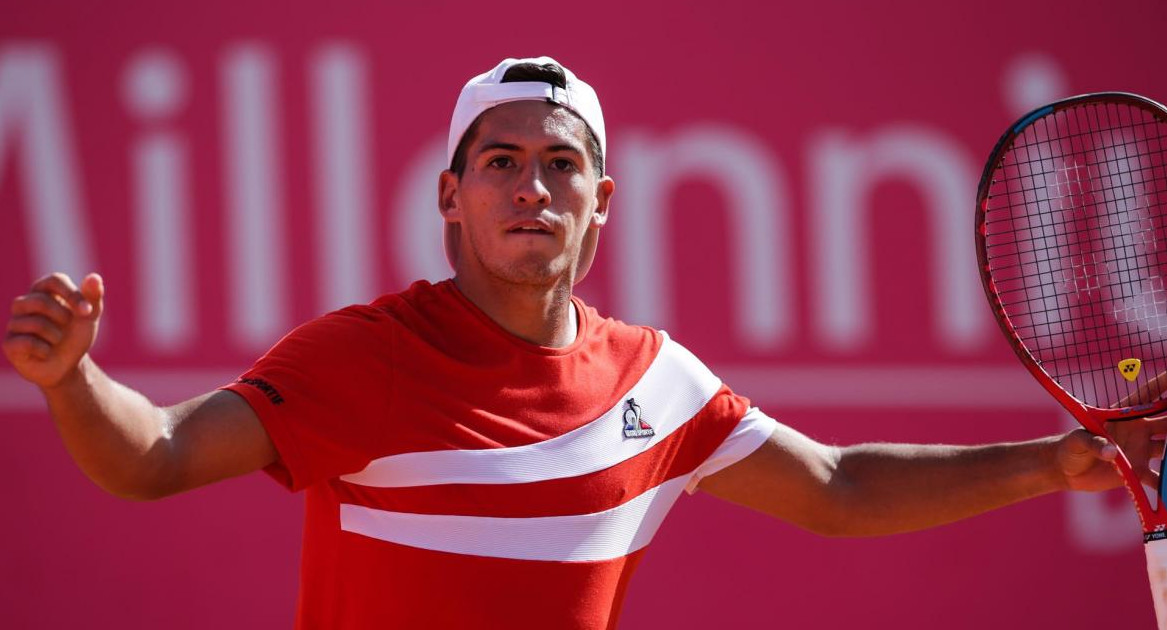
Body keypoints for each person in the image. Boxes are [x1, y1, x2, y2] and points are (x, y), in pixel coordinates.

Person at [3, 56, 1163, 629]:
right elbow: (148, 457)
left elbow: (840, 486)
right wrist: (74, 380)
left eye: (561, 164)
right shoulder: (354, 359)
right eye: (499, 162)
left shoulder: (655, 380)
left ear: (602, 203)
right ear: (448, 200)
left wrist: (1056, 462)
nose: (531, 187)